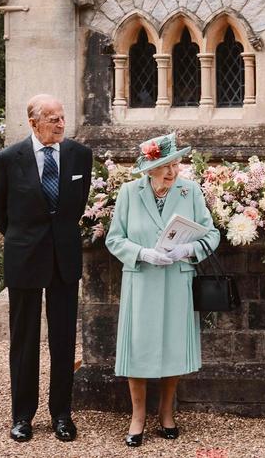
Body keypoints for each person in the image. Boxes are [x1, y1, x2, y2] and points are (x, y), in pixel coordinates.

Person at [0, 94, 92, 443]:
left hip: (64, 258)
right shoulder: (6, 159)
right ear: (33, 123)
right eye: (53, 119)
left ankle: (62, 414)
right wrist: (26, 240)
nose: (61, 124)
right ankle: (22, 417)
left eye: (62, 118)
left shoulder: (80, 155)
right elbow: (0, 211)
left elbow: (76, 206)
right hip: (24, 257)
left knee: (63, 340)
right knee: (24, 340)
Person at [105, 132, 220, 447]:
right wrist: (142, 253)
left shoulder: (190, 191)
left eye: (176, 163)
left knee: (172, 345)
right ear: (149, 168)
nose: (172, 171)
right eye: (165, 165)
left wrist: (186, 251)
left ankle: (166, 413)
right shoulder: (129, 192)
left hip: (176, 278)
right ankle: (138, 416)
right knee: (138, 348)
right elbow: (114, 239)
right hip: (141, 278)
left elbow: (211, 236)